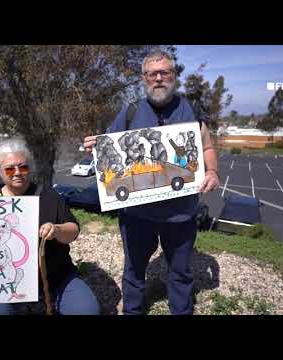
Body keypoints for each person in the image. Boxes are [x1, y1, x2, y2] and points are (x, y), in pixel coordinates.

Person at [83, 49, 220, 315]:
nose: (158, 78)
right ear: (144, 78)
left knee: (180, 272)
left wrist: (212, 171)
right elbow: (110, 146)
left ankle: (181, 310)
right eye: (152, 74)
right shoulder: (130, 111)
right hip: (137, 214)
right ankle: (132, 311)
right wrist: (95, 146)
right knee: (133, 270)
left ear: (174, 76)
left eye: (164, 72)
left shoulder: (192, 110)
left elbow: (207, 148)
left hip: (181, 215)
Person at [0, 138, 100, 315]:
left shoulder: (48, 195)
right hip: (7, 282)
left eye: (23, 167)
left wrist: (57, 230)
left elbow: (73, 230)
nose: (18, 172)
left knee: (88, 311)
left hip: (56, 276)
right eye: (9, 168)